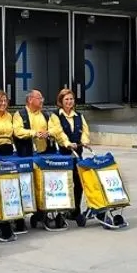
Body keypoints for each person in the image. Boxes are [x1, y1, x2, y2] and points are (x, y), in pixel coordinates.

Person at [48, 88, 92, 226]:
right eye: (66, 99)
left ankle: (75, 209)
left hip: (77, 154)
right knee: (64, 183)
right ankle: (62, 210)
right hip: (62, 154)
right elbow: (58, 132)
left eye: (71, 99)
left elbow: (84, 131)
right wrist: (66, 143)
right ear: (61, 101)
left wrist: (84, 141)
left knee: (78, 183)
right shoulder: (55, 115)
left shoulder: (79, 115)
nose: (69, 102)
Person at [14, 90, 54, 156]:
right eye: (39, 98)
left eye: (42, 98)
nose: (42, 101)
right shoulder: (19, 114)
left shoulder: (45, 114)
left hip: (45, 154)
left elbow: (54, 129)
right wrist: (34, 133)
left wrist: (48, 133)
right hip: (26, 155)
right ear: (30, 100)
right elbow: (18, 131)